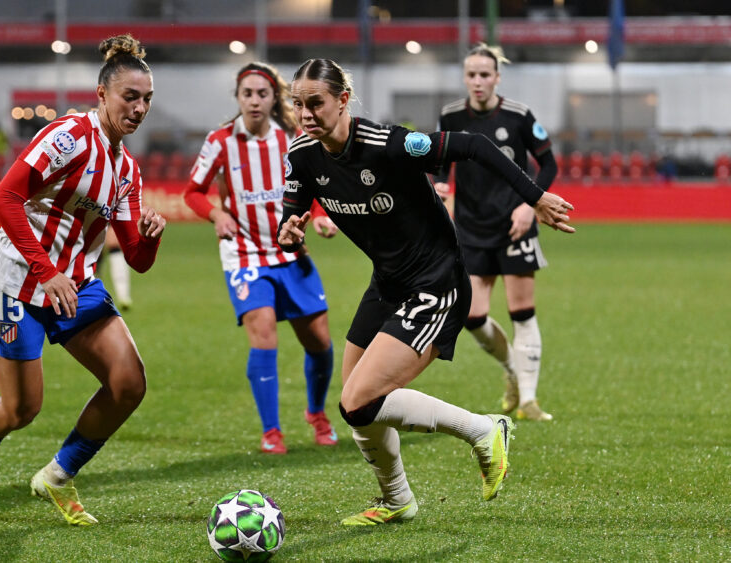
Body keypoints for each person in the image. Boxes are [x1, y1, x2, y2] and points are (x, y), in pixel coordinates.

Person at [278, 59, 574, 525]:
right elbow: (292, 212)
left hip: (437, 281)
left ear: (342, 99)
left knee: (359, 400)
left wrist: (534, 197)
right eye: (298, 104)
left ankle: (483, 430)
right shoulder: (301, 154)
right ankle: (397, 500)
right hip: (388, 282)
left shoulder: (388, 144)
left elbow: (475, 145)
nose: (305, 114)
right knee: (356, 406)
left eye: (315, 103)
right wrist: (289, 231)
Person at [0, 34, 166, 526]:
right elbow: (4, 199)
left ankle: (57, 476)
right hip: (13, 279)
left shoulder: (127, 171)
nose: (139, 108)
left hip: (73, 284)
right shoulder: (68, 136)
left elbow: (136, 260)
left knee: (128, 383)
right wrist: (46, 270)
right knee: (21, 410)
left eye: (146, 99)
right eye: (130, 97)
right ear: (102, 94)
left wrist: (150, 237)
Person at [184, 62, 339, 454]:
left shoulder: (293, 137)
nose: (254, 100)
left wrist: (320, 216)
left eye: (262, 94)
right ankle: (272, 431)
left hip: (291, 253)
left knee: (320, 343)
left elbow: (311, 185)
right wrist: (216, 215)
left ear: (274, 99)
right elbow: (193, 192)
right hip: (245, 256)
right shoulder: (220, 141)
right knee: (264, 335)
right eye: (247, 94)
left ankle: (316, 413)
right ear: (238, 97)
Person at [434, 43, 559, 421]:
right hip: (470, 228)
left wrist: (529, 206)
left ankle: (529, 401)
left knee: (522, 313)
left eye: (485, 74)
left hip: (514, 225)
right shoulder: (451, 115)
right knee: (472, 317)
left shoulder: (519, 116)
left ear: (497, 78)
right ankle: (512, 371)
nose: (478, 81)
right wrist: (441, 187)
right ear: (464, 77)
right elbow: (440, 162)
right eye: (471, 74)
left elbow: (549, 164)